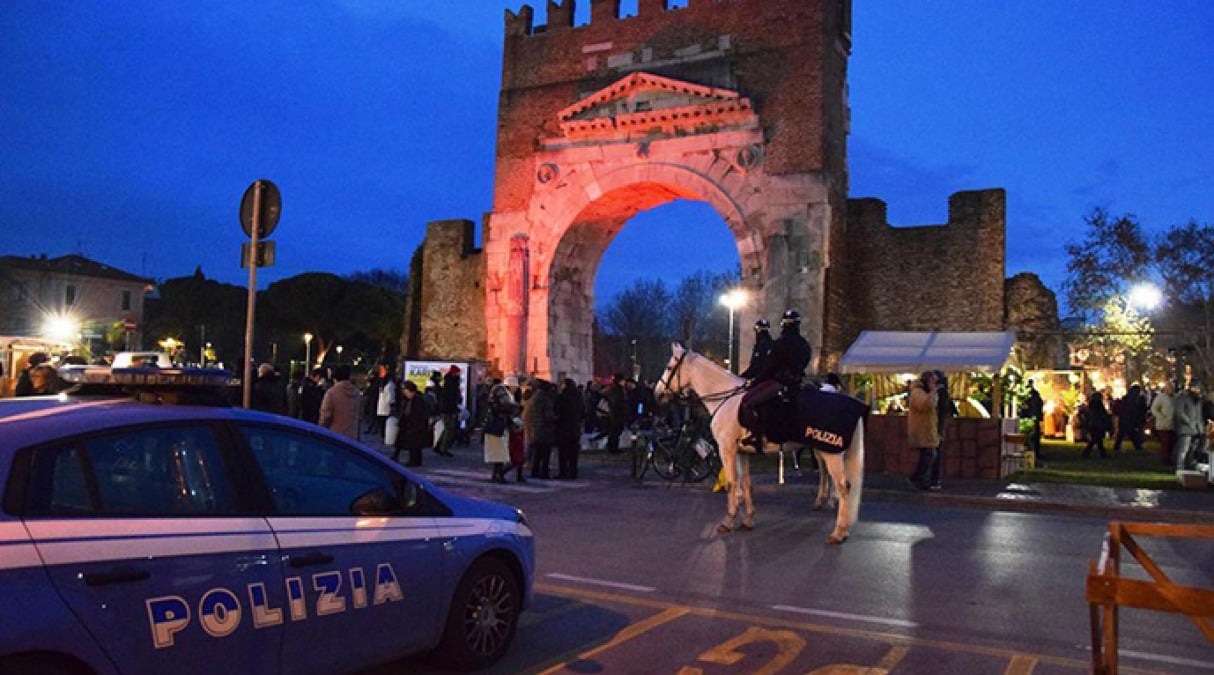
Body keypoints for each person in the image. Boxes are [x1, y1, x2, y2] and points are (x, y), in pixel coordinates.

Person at [739, 309, 813, 450]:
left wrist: (754, 381)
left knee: (748, 402)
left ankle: (756, 435)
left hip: (779, 383)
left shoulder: (779, 344)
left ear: (783, 325)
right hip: (797, 383)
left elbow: (768, 368)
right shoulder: (804, 345)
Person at [907, 370, 940, 490]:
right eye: (933, 381)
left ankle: (920, 479)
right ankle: (916, 478)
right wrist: (933, 391)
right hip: (921, 430)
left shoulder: (924, 392)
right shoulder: (917, 392)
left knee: (928, 454)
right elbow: (926, 405)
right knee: (929, 454)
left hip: (927, 429)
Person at [483, 377, 518, 483]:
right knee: (500, 452)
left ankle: (496, 474)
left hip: (496, 426)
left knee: (498, 453)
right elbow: (506, 407)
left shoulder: (499, 391)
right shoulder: (501, 392)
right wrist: (515, 408)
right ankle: (499, 475)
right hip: (498, 427)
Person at [525, 378, 558, 479]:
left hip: (536, 428)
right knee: (545, 453)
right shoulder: (545, 398)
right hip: (545, 429)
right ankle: (544, 472)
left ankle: (535, 471)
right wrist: (556, 418)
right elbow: (548, 415)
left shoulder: (535, 397)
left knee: (537, 453)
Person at [392, 380, 430, 466]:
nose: (403, 392)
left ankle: (414, 461)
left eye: (405, 390)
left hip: (415, 425)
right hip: (408, 424)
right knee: (410, 443)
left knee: (415, 444)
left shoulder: (417, 400)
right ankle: (411, 459)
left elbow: (419, 415)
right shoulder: (408, 399)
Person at [319, 365, 360, 439]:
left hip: (335, 436)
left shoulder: (331, 393)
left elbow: (325, 417)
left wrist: (321, 429)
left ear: (335, 378)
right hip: (352, 436)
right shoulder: (356, 393)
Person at [556, 377, 585, 479]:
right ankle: (573, 472)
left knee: (563, 452)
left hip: (564, 429)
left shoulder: (563, 397)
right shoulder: (578, 397)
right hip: (575, 428)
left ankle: (563, 472)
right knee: (573, 453)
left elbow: (558, 411)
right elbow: (583, 412)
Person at [1173, 385, 1206, 471]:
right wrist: (1188, 421)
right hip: (1186, 428)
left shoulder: (1198, 400)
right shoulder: (1183, 397)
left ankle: (1189, 464)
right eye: (1195, 387)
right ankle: (1180, 466)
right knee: (1184, 448)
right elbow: (1179, 412)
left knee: (1192, 448)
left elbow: (1199, 414)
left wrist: (1200, 426)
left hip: (1197, 428)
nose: (1196, 390)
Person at [1112, 383, 1147, 453]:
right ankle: (1137, 446)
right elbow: (1136, 410)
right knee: (1131, 433)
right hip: (1129, 418)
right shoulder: (1135, 400)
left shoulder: (1126, 398)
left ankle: (1117, 446)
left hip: (1124, 418)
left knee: (1124, 433)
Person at [435, 365, 461, 457]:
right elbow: (451, 397)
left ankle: (440, 446)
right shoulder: (451, 383)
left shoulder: (450, 381)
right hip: (448, 409)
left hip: (447, 408)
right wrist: (453, 408)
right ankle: (443, 448)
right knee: (449, 428)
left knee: (448, 428)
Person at [1149, 381, 1177, 467]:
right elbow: (1154, 409)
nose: (1172, 390)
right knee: (1165, 442)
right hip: (1163, 424)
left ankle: (1169, 458)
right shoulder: (1160, 398)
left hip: (1172, 424)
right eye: (1170, 388)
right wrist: (1161, 417)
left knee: (1171, 442)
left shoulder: (1174, 398)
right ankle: (1165, 459)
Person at [1081, 391, 1112, 458]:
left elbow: (1088, 415)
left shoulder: (1091, 405)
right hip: (1097, 424)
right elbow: (1102, 415)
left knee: (1096, 440)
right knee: (1097, 440)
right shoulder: (1098, 406)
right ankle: (1101, 453)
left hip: (1093, 424)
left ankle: (1089, 453)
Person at [604, 374, 628, 454]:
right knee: (615, 431)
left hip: (615, 413)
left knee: (615, 431)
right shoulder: (617, 389)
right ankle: (613, 447)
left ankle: (612, 447)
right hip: (617, 414)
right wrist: (624, 406)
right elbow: (617, 402)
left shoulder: (614, 389)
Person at [1023, 379, 1045, 461]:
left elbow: (1039, 404)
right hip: (1031, 416)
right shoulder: (1031, 394)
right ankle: (1034, 452)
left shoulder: (1034, 393)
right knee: (1033, 436)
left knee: (1035, 436)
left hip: (1032, 416)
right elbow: (1039, 404)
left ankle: (1035, 452)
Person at [376, 372, 398, 438]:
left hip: (381, 407)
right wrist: (393, 405)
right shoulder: (390, 385)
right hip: (387, 407)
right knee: (387, 423)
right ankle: (386, 436)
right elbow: (390, 398)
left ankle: (383, 436)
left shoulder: (382, 385)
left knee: (382, 423)